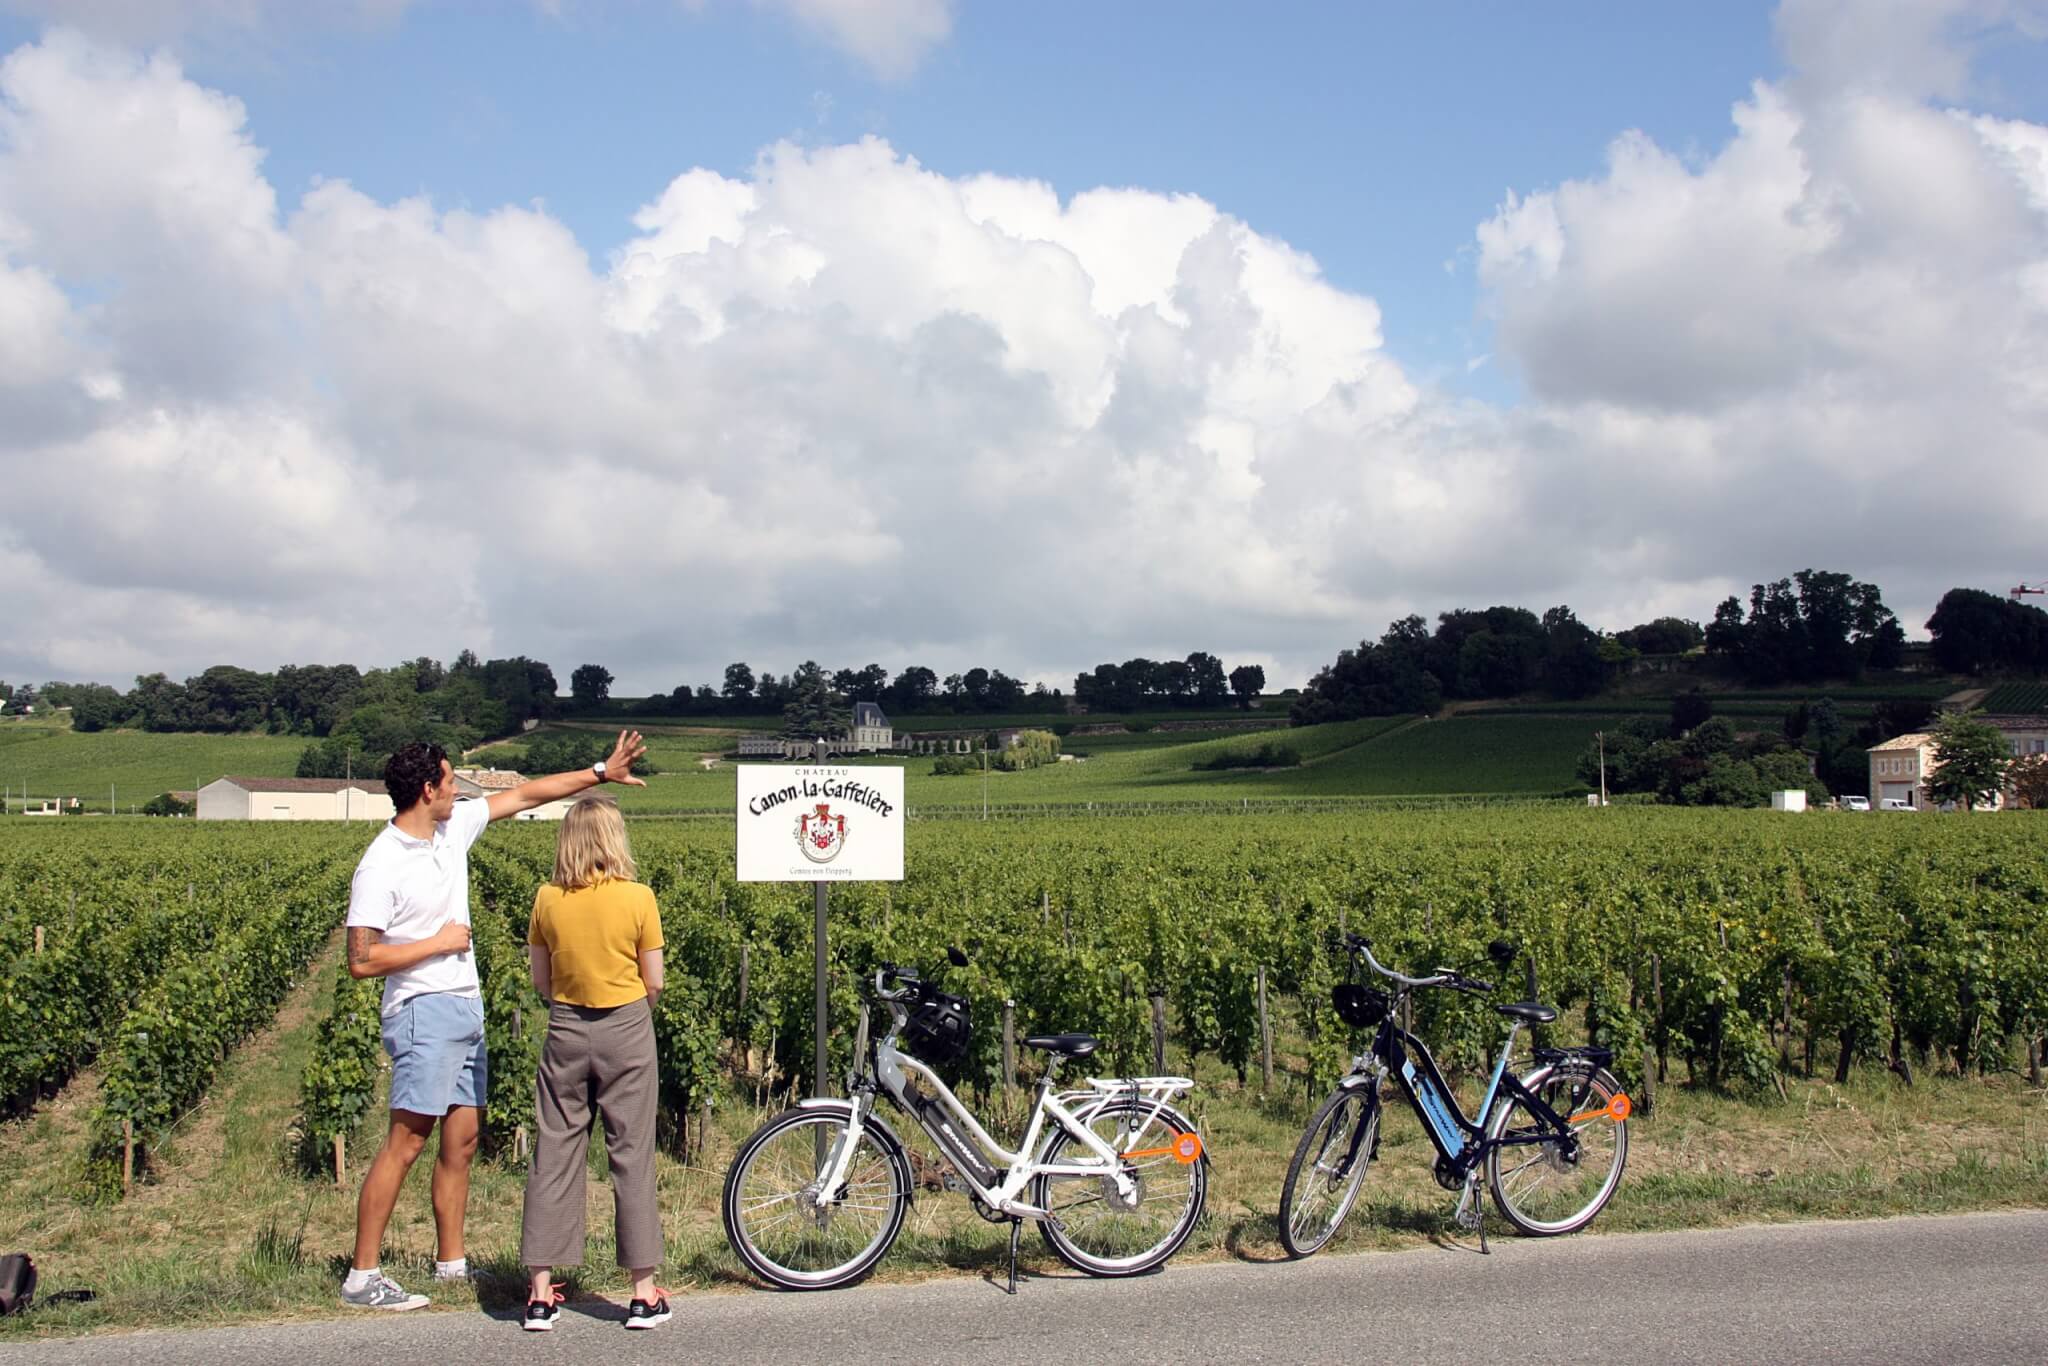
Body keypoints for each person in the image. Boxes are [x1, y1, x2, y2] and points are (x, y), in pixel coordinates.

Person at [339, 731, 647, 1312]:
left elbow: (529, 795)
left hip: (462, 1008)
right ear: (428, 789)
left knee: (462, 1141)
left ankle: (451, 1264)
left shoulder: (449, 831)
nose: (459, 790)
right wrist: (437, 943)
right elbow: (361, 959)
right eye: (452, 781)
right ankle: (363, 1274)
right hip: (421, 1011)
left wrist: (601, 772)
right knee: (406, 1143)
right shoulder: (380, 862)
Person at [518, 796, 668, 1332]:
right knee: (631, 1154)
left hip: (565, 1026)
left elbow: (541, 979)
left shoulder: (546, 899)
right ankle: (643, 1295)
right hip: (626, 1026)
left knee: (554, 1150)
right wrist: (632, 1014)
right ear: (613, 838)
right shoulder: (638, 897)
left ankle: (539, 1294)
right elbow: (654, 980)